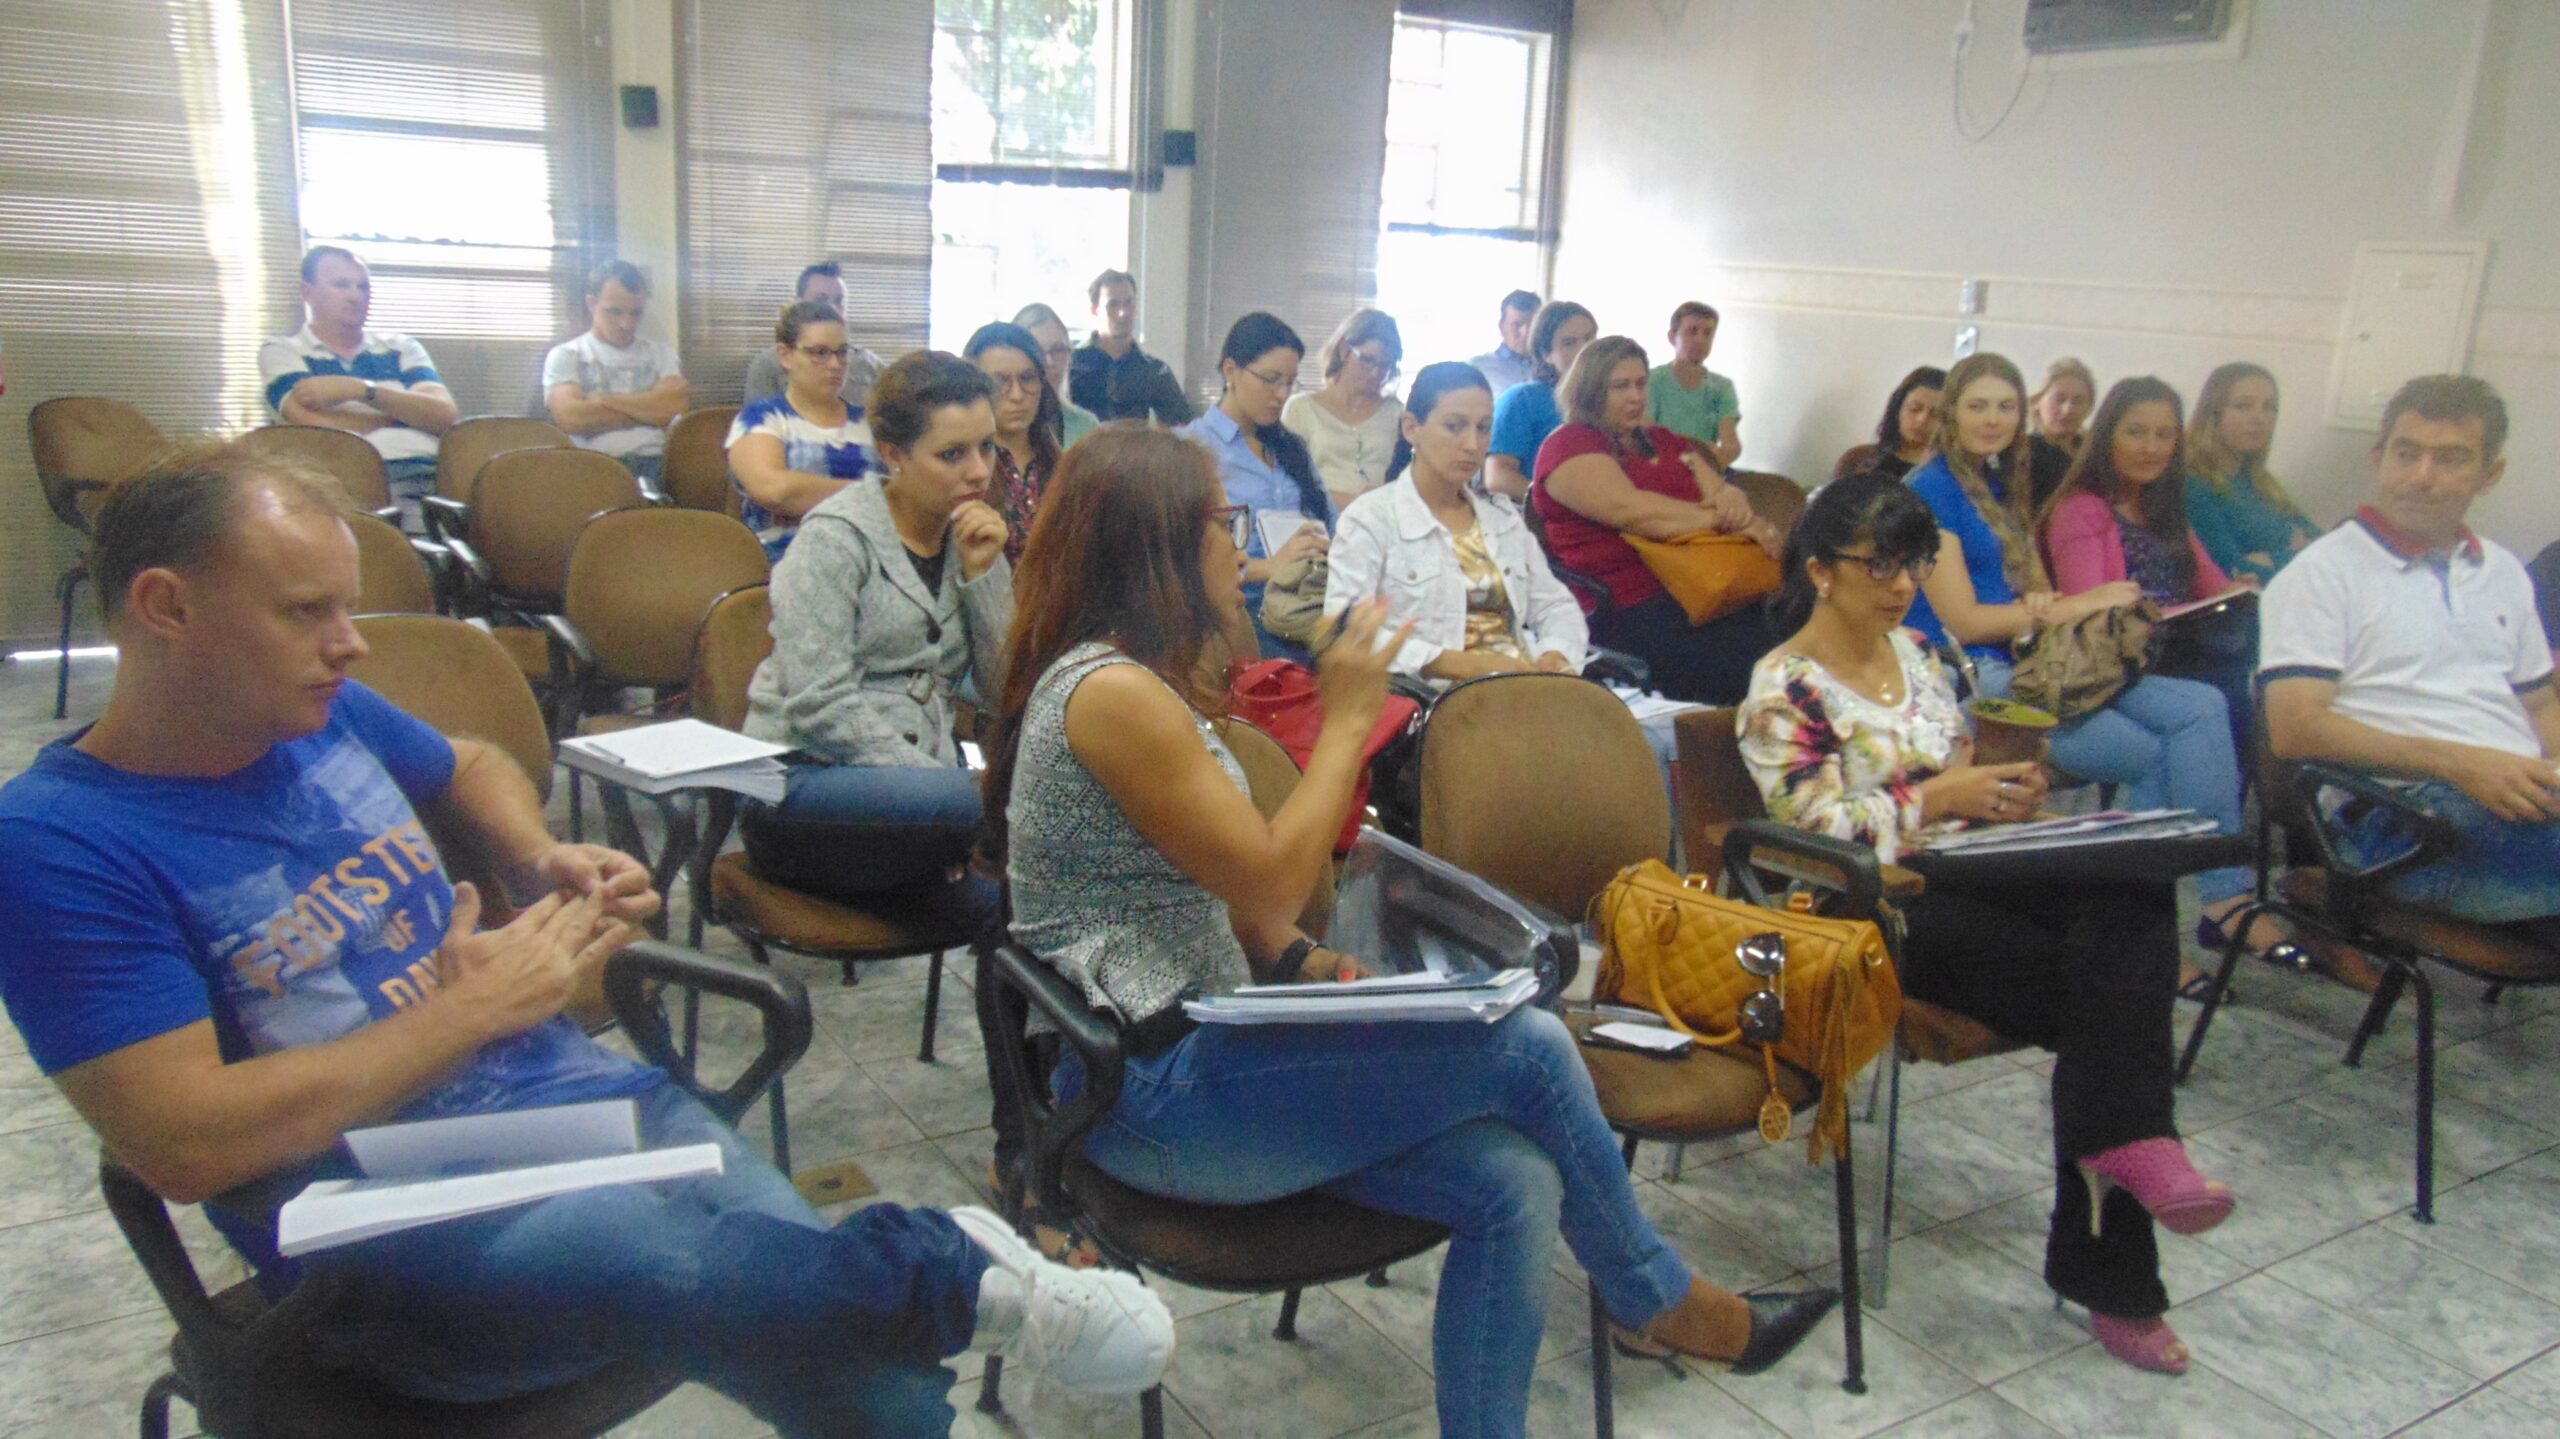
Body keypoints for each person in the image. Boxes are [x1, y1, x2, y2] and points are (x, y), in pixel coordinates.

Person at [0, 440, 1172, 1438]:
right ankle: (953, 1264)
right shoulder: (60, 842)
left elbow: (462, 760)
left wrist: (533, 855)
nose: (350, 643)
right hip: (376, 1209)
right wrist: (464, 1012)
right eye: (307, 611)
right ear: (166, 607)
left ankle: (924, 1277)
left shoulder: (310, 707)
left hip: (564, 1103)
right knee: (699, 1273)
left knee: (825, 1337)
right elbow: (183, 1145)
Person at [980, 424, 1838, 1439]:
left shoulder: (1135, 677)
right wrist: (1347, 723)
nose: (1237, 543)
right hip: (1147, 1091)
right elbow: (1274, 872)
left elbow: (1245, 903)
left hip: (1206, 1044)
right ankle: (1659, 1299)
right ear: (1160, 545)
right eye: (1221, 522)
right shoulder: (1110, 692)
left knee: (1516, 1179)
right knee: (1527, 1042)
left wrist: (1304, 959)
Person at [1740, 474, 2235, 1377]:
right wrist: (1938, 796)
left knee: (2131, 891)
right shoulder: (1785, 685)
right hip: (1873, 903)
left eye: (1913, 564)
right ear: (1820, 569)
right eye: (1878, 564)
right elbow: (1809, 832)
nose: (1899, 584)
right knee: (2113, 1010)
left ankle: (2128, 1145)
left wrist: (2001, 790)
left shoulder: (1921, 655)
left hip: (1975, 872)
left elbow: (1967, 755)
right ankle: (2122, 1240)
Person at [1901, 354, 2260, 982]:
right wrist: (2071, 605)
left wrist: (2044, 605)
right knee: (2152, 755)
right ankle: (2136, 942)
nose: (1993, 419)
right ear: (1952, 411)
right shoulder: (1930, 491)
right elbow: (1965, 621)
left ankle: (2222, 896)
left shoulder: (1993, 486)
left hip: (2037, 661)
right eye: (1978, 405)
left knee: (2205, 706)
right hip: (1975, 674)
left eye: (2006, 407)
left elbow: (2034, 597)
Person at [2262, 374, 2560, 937]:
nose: (2421, 477)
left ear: (2489, 475)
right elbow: (2295, 730)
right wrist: (2465, 765)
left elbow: (2542, 705)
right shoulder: (2322, 574)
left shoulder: (2502, 572)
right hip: (2400, 822)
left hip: (2513, 802)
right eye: (2407, 453)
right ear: (2379, 458)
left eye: (2450, 459)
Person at [741, 351, 1012, 920]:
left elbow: (1002, 691)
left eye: (987, 447)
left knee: (1019, 912)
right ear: (893, 454)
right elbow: (819, 702)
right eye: (952, 454)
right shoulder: (834, 540)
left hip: (925, 800)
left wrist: (984, 577)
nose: (980, 471)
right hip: (803, 786)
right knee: (1003, 804)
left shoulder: (970, 534)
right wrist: (941, 796)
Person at [1531, 335, 1780, 704]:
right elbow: (1637, 513)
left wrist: (1737, 510)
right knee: (1745, 663)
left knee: (1781, 642)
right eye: (1620, 386)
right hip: (1625, 603)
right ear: (1589, 390)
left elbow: (1724, 496)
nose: (1635, 396)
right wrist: (1722, 519)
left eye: (1641, 383)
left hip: (1702, 584)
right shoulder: (1570, 444)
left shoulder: (1662, 439)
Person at [2040, 377, 2257, 766]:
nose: (2151, 448)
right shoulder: (2081, 509)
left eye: (2164, 435)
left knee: (2259, 672)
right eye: (2136, 433)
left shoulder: (2164, 507)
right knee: (2227, 690)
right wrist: (2171, 617)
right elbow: (2091, 615)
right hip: (2120, 660)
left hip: (2182, 649)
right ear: (2108, 437)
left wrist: (2242, 593)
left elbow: (2213, 586)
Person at [1323, 362, 1583, 683]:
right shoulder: (1370, 519)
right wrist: (1450, 663)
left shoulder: (1501, 518)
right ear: (1410, 428)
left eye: (1484, 427)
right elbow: (1347, 630)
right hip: (1432, 703)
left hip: (1523, 691)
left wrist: (1554, 654)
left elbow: (1555, 606)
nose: (1472, 445)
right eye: (1454, 426)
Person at [258, 246, 458, 517]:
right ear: (308, 292)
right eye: (342, 285)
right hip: (351, 479)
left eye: (363, 287)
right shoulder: (283, 351)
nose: (355, 296)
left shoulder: (401, 347)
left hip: (436, 471)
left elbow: (443, 415)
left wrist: (361, 390)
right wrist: (404, 415)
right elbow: (314, 428)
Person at [1179, 312, 1333, 658]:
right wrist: (1270, 567)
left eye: (1291, 382)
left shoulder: (1292, 450)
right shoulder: (1191, 450)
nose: (1281, 395)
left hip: (1308, 603)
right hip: (1238, 615)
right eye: (1270, 379)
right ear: (1230, 370)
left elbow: (1333, 527)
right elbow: (1183, 560)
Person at [725, 300, 874, 562]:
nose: (835, 365)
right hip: (785, 563)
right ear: (786, 356)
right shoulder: (762, 418)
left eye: (842, 352)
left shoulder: (870, 424)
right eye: (819, 352)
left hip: (868, 564)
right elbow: (775, 490)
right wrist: (875, 495)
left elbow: (907, 497)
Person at [541, 260, 688, 489]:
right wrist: (648, 409)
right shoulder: (566, 355)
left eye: (635, 313)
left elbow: (673, 406)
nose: (626, 323)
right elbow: (570, 417)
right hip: (592, 466)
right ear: (592, 303)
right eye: (614, 312)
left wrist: (601, 401)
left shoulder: (662, 354)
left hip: (657, 464)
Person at [2184, 362, 2322, 586]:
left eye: (2269, 407)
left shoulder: (2261, 481)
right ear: (2214, 414)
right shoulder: (2194, 485)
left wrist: (2270, 559)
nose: (2259, 418)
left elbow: (2324, 547)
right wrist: (2293, 550)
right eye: (2243, 406)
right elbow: (2234, 573)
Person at [1282, 307, 1406, 510]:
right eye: (1367, 360)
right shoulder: (1301, 410)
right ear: (1344, 350)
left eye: (1386, 365)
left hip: (1382, 526)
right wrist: (1354, 503)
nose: (1376, 373)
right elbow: (1288, 485)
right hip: (1318, 523)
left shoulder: (1397, 413)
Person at [963, 322, 1066, 566]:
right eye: (1000, 382)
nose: (1017, 395)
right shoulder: (963, 469)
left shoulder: (1064, 466)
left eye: (1028, 378)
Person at [1484, 300, 1596, 501]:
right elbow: (1497, 477)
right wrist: (1557, 503)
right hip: (1543, 517)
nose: (1583, 350)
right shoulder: (1523, 399)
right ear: (1546, 354)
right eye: (1569, 343)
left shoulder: (1607, 399)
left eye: (1589, 339)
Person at [743, 261, 886, 408]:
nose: (832, 307)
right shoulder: (769, 363)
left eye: (839, 300)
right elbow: (756, 422)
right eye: (821, 299)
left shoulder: (870, 364)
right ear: (799, 304)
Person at [1069, 269, 1193, 425]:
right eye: (1113, 304)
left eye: (1129, 303)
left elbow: (1180, 431)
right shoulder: (1072, 365)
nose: (1123, 313)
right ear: (1095, 310)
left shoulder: (1156, 373)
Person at [1645, 301, 1742, 468]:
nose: (1700, 340)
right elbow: (1646, 434)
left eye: (1708, 334)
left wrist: (1708, 469)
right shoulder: (1652, 380)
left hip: (1705, 470)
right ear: (1672, 336)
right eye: (1692, 331)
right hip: (1661, 468)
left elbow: (1731, 445)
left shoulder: (1722, 387)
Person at [1832, 365, 1945, 482]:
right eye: (1914, 409)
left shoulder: (1949, 472)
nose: (1922, 419)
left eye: (1935, 414)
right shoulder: (1858, 459)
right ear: (1897, 408)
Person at [1011, 302, 1102, 446]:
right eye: (1039, 352)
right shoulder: (993, 427)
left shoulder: (1087, 426)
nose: (1049, 361)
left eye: (1057, 350)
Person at [2027, 358, 2097, 512]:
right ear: (2038, 401)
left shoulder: (2095, 455)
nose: (2067, 410)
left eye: (2078, 401)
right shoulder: (2025, 452)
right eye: (2059, 399)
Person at [1468, 288, 1541, 394]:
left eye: (1533, 325)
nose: (1526, 333)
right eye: (1517, 325)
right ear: (1502, 327)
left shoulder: (1553, 369)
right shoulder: (1478, 368)